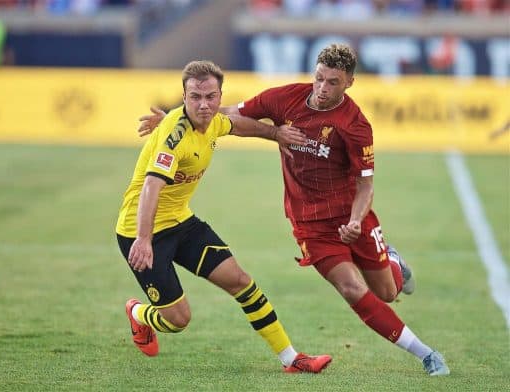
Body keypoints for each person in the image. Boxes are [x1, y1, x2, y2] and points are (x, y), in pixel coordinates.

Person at [138, 45, 450, 376]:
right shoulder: (284, 98)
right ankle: (426, 354)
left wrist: (357, 221)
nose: (322, 88)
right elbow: (227, 111)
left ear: (349, 83)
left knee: (386, 291)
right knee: (350, 288)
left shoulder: (355, 126)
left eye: (333, 82)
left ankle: (392, 261)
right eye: (319, 78)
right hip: (310, 223)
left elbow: (365, 186)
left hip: (351, 216)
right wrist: (176, 118)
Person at [116, 60, 331, 373]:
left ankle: (292, 359)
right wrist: (144, 239)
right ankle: (137, 314)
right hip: (141, 229)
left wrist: (274, 133)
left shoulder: (214, 120)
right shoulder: (173, 138)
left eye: (210, 97)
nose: (204, 105)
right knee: (178, 321)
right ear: (184, 97)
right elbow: (151, 186)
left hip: (181, 223)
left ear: (219, 96)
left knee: (241, 282)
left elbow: (239, 124)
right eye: (195, 98)